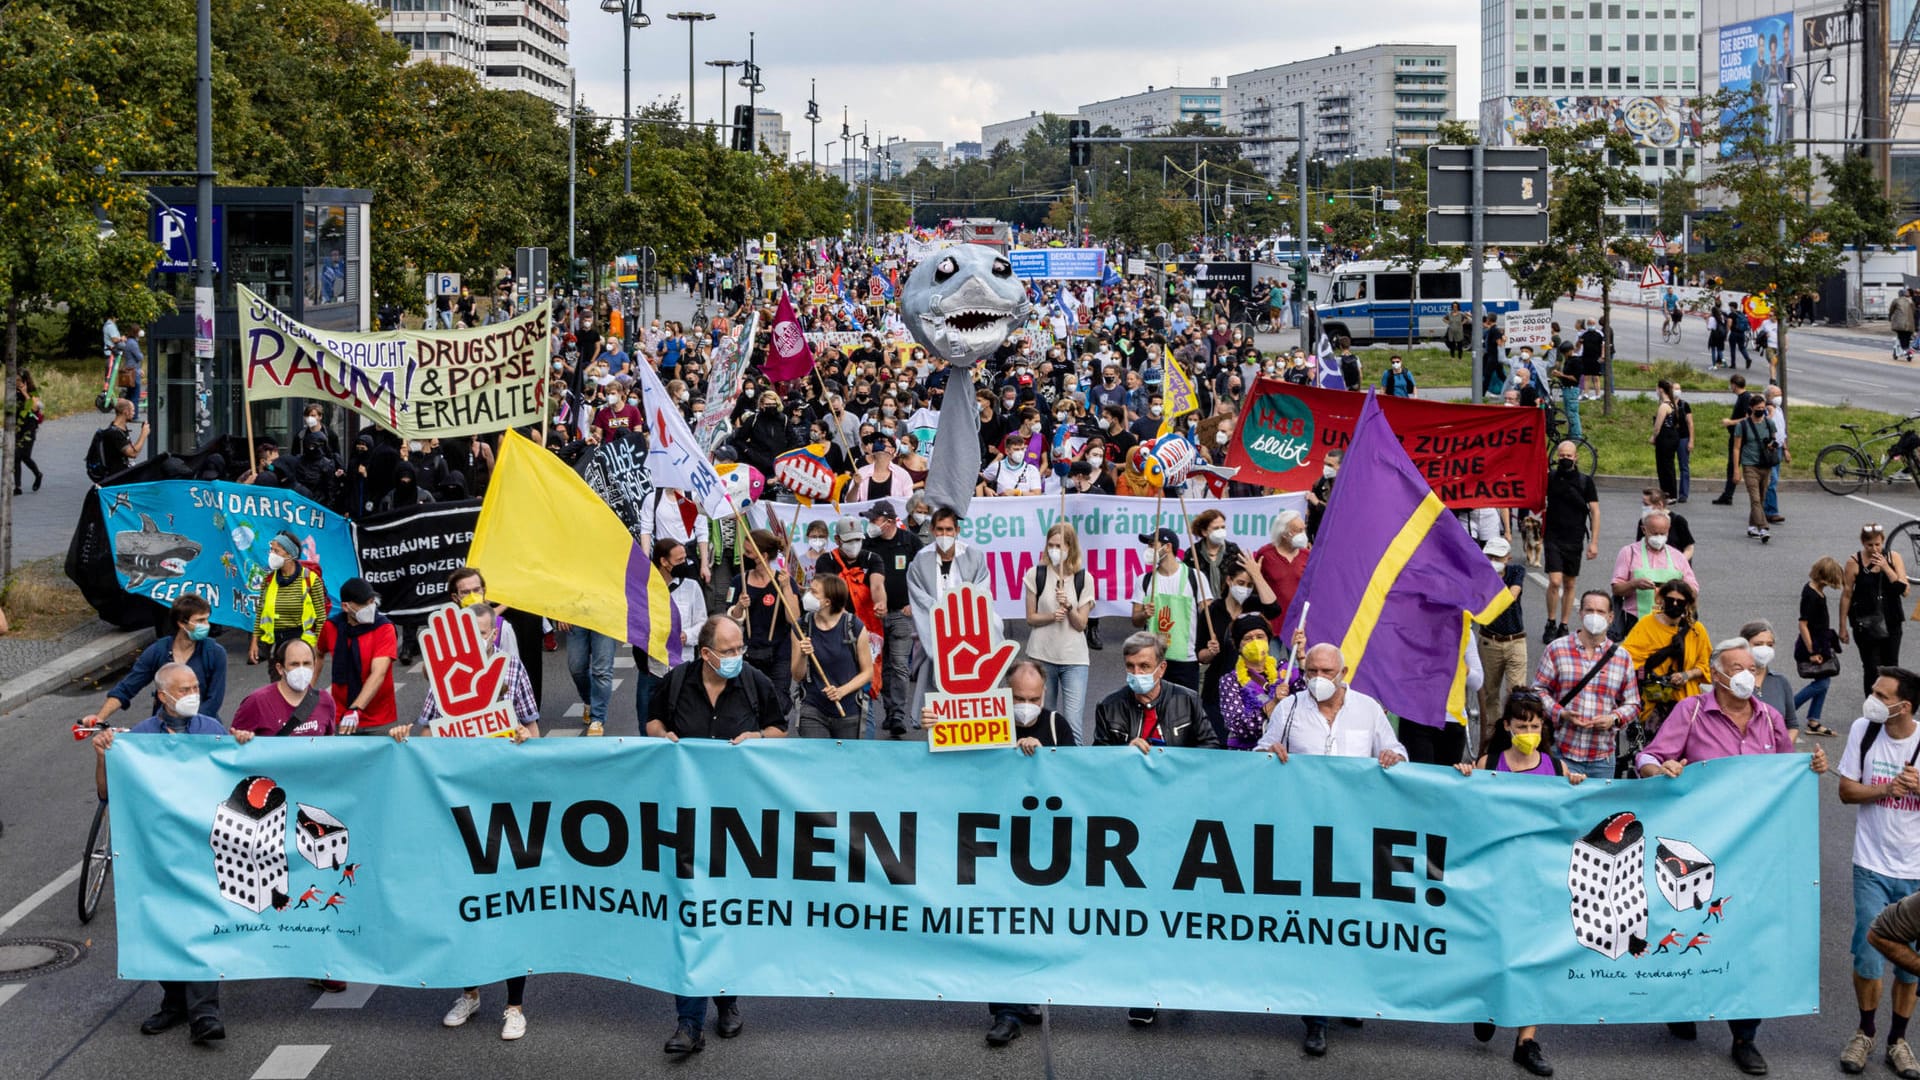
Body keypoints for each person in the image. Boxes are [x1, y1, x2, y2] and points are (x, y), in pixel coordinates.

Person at [1635, 638, 1828, 1076]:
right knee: (1692, 928)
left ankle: (1745, 1036)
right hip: (1701, 850)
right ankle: (1683, 1004)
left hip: (1756, 853)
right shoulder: (1692, 712)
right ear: (1717, 674)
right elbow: (1650, 756)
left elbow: (1786, 772)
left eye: (1751, 667)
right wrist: (1660, 769)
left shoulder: (1771, 719)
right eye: (1737, 666)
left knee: (1749, 937)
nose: (1747, 674)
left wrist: (1809, 767)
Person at [392, 599, 540, 1042]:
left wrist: (521, 739)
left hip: (505, 806)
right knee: (466, 904)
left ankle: (514, 1006)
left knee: (509, 906)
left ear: (493, 635)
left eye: (482, 635)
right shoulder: (443, 681)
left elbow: (533, 732)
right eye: (469, 635)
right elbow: (424, 737)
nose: (476, 642)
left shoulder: (511, 672)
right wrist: (403, 735)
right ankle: (470, 992)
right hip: (459, 810)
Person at [1253, 640, 1405, 1056]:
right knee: (1316, 922)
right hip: (1303, 833)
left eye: (1326, 672)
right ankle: (1316, 1017)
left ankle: (1346, 996)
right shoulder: (1289, 710)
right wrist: (1271, 753)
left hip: (1354, 834)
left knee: (1350, 920)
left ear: (1344, 673)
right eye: (1311, 671)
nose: (1317, 679)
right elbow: (1261, 752)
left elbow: (1396, 752)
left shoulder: (1369, 710)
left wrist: (1393, 756)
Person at [646, 615, 786, 1054]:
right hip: (684, 821)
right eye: (728, 651)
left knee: (724, 912)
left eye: (739, 648)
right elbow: (650, 722)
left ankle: (726, 1000)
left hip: (737, 823)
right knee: (690, 915)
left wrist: (759, 737)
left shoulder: (754, 682)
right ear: (705, 654)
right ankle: (688, 1023)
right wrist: (663, 736)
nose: (736, 657)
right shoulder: (675, 683)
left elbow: (780, 729)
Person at [93, 663, 227, 1043]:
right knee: (161, 925)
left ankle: (204, 1013)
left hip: (202, 849)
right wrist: (104, 756)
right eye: (183, 689)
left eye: (195, 687)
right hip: (156, 851)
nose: (192, 695)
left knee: (201, 926)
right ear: (162, 697)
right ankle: (175, 1001)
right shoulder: (140, 737)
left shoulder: (212, 731)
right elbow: (108, 793)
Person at [1456, 689, 1579, 1075]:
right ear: (1507, 726)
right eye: (1522, 725)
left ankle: (1526, 1041)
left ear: (1543, 728)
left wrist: (1580, 789)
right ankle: (1490, 1005)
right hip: (1495, 876)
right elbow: (1468, 812)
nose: (1529, 731)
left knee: (1533, 957)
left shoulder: (1557, 770)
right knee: (1493, 947)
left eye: (1535, 725)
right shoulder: (1489, 762)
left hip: (1539, 879)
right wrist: (1465, 778)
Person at [1534, 590, 1641, 779]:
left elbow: (1632, 703)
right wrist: (1561, 713)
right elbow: (1538, 690)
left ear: (1610, 617)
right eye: (1589, 610)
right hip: (1562, 752)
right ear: (1581, 613)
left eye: (1600, 612)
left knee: (1598, 809)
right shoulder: (1557, 649)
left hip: (1602, 758)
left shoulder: (1622, 657)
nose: (1594, 616)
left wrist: (1614, 718)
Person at [84, 594, 227, 728]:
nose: (206, 625)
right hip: (164, 729)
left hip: (203, 729)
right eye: (200, 620)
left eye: (207, 619)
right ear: (181, 623)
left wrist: (191, 728)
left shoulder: (215, 653)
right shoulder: (158, 651)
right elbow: (127, 687)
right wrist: (100, 718)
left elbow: (214, 701)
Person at [1022, 522, 1095, 744]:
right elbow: (1031, 618)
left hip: (1074, 659)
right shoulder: (1036, 574)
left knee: (1072, 724)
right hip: (1042, 655)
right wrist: (1052, 615)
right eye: (1050, 545)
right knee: (1043, 721)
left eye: (1058, 546)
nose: (1053, 550)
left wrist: (1069, 606)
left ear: (1070, 548)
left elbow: (1081, 624)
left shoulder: (1084, 578)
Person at [633, 539, 708, 728]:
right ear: (664, 562)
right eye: (679, 560)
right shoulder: (644, 589)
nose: (685, 564)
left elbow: (702, 623)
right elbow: (634, 623)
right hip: (652, 670)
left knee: (684, 726)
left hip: (684, 669)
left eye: (685, 558)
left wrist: (686, 635)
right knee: (647, 725)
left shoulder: (692, 587)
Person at [727, 528, 798, 724]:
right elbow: (730, 619)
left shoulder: (785, 581)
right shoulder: (738, 580)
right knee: (748, 702)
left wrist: (785, 588)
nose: (745, 556)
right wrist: (740, 606)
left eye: (749, 553)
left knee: (777, 702)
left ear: (763, 555)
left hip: (779, 653)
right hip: (750, 652)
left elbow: (794, 619)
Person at [1132, 528, 1215, 692]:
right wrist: (1144, 614)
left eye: (1152, 545)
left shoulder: (1195, 577)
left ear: (1168, 547)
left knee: (1184, 712)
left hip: (1186, 660)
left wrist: (1209, 644)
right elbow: (1135, 620)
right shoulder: (1145, 580)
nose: (1148, 550)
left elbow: (1209, 616)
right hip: (1153, 659)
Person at [792, 573, 872, 740]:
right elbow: (797, 675)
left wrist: (842, 691)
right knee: (817, 761)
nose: (807, 595)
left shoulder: (853, 626)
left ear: (827, 602)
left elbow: (867, 672)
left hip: (848, 709)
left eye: (813, 592)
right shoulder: (801, 627)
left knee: (846, 763)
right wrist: (803, 655)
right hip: (812, 707)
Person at [316, 577, 398, 735]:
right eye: (363, 603)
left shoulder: (384, 628)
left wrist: (355, 708)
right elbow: (317, 654)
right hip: (340, 715)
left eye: (371, 601)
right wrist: (307, 691)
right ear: (346, 607)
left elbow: (378, 673)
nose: (370, 607)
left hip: (376, 717)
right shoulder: (331, 627)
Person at [1541, 441, 1600, 643]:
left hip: (1574, 538)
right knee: (1555, 581)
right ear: (1557, 456)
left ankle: (1563, 624)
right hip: (1553, 536)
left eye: (1569, 455)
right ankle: (1550, 621)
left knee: (1570, 582)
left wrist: (1594, 542)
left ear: (1576, 457)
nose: (1565, 459)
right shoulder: (1550, 478)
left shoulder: (1585, 482)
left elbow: (1595, 511)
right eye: (1562, 455)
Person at [1847, 524, 1912, 696]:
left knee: (1891, 666)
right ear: (1863, 543)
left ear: (1883, 541)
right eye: (1870, 545)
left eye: (1878, 544)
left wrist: (1886, 567)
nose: (1874, 548)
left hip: (1892, 620)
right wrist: (1842, 626)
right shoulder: (1854, 562)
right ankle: (1872, 705)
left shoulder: (1893, 557)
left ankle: (1889, 703)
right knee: (1871, 668)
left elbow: (1904, 590)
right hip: (1866, 622)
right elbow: (1847, 595)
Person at [1476, 537, 1529, 744]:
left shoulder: (1516, 571)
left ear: (1508, 558)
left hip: (1516, 641)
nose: (1493, 560)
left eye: (1498, 557)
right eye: (1489, 556)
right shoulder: (1480, 573)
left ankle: (1515, 736)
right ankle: (1492, 738)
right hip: (1490, 641)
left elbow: (1511, 595)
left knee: (1517, 693)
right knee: (1490, 693)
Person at [229, 637, 337, 739]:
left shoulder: (325, 701)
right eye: (294, 664)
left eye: (306, 663)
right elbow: (233, 745)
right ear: (280, 668)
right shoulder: (257, 702)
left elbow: (329, 746)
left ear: (314, 665)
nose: (301, 670)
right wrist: (241, 738)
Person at [249, 531, 327, 665]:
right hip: (275, 646)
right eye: (271, 550)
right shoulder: (268, 580)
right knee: (277, 683)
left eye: (276, 551)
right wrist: (254, 642)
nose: (271, 554)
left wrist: (316, 648)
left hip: (302, 645)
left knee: (297, 683)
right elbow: (260, 613)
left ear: (290, 555)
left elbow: (321, 618)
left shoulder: (310, 579)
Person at [1611, 510, 1698, 623]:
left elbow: (1693, 591)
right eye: (1654, 533)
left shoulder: (1677, 556)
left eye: (1663, 534)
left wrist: (1676, 588)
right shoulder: (1629, 553)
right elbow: (1616, 589)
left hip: (1671, 620)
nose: (1659, 538)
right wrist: (1633, 584)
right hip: (1636, 620)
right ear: (1644, 530)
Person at [1798, 556, 1845, 737]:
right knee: (1822, 682)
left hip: (1820, 642)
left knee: (1823, 680)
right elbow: (1803, 624)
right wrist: (1812, 651)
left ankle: (1814, 721)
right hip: (1814, 644)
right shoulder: (1812, 596)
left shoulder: (1816, 590)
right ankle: (1789, 707)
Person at [1253, 509, 1311, 637]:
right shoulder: (1266, 554)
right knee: (1277, 658)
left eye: (1304, 529)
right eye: (1298, 530)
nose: (1303, 534)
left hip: (1298, 626)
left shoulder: (1307, 555)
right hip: (1272, 625)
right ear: (1284, 534)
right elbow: (1256, 585)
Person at [1732, 392, 1781, 541]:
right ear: (1751, 408)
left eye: (1763, 407)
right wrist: (1736, 469)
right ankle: (1763, 528)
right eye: (1758, 407)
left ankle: (1752, 526)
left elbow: (1774, 440)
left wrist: (1772, 445)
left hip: (1765, 465)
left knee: (1761, 498)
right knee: (1755, 499)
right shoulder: (1743, 425)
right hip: (1749, 465)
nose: (1761, 410)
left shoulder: (1769, 424)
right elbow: (1736, 448)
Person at [1712, 373, 1761, 506]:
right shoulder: (1742, 397)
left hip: (1740, 437)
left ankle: (1728, 495)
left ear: (1734, 385)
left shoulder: (1745, 398)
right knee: (1731, 465)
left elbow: (1748, 418)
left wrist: (1730, 422)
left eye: (1731, 384)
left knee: (1734, 465)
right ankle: (1727, 494)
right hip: (1736, 435)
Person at [1651, 380, 1693, 502]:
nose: (1656, 391)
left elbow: (1658, 425)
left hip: (1666, 437)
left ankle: (1668, 494)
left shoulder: (1664, 406)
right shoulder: (1672, 404)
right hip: (1672, 436)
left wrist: (1654, 436)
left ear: (1661, 389)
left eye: (1656, 388)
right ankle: (1670, 493)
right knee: (1668, 466)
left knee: (1664, 466)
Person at [89, 398, 148, 481]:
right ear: (126, 412)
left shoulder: (121, 429)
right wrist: (144, 434)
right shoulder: (114, 433)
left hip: (125, 473)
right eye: (133, 410)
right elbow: (132, 453)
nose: (134, 413)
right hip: (117, 477)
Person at [14, 371, 43, 494]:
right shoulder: (13, 393)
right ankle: (17, 486)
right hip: (18, 428)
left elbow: (35, 408)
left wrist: (25, 393)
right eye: (15, 381)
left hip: (29, 429)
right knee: (16, 457)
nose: (17, 383)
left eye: (19, 381)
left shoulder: (32, 392)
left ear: (25, 381)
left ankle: (38, 474)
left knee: (24, 456)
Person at [1894, 288, 1917, 362]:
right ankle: (1907, 350)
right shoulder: (1911, 301)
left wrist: (1890, 317)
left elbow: (1891, 310)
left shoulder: (1896, 301)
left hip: (1900, 324)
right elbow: (1914, 311)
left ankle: (1905, 350)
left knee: (1901, 337)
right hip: (1910, 324)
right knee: (1907, 337)